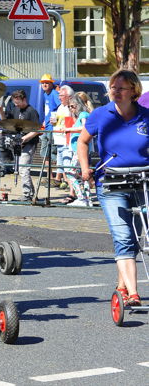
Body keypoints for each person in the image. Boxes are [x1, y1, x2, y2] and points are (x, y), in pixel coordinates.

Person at [77, 70, 148, 308]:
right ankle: (134, 293)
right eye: (113, 87)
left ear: (134, 91)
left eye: (121, 88)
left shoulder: (146, 117)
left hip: (142, 181)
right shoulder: (100, 114)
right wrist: (86, 168)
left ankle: (122, 285)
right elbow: (82, 141)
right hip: (110, 182)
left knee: (138, 237)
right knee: (124, 237)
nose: (115, 92)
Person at [0, 90, 40, 200]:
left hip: (29, 143)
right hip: (18, 142)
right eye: (14, 103)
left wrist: (25, 138)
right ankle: (31, 194)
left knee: (23, 168)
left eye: (18, 102)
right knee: (21, 168)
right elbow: (6, 122)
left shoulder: (31, 111)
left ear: (24, 99)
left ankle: (27, 194)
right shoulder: (15, 109)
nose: (16, 105)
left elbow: (37, 130)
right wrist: (1, 111)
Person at [62, 94, 92, 207]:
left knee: (70, 172)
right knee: (82, 174)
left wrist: (69, 129)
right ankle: (87, 199)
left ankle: (81, 197)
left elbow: (85, 128)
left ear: (78, 105)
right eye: (69, 107)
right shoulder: (80, 115)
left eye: (72, 106)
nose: (71, 109)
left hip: (79, 150)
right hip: (76, 149)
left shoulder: (84, 114)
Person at [52, 85, 75, 191]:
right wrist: (54, 121)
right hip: (58, 139)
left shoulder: (71, 108)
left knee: (68, 165)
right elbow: (58, 121)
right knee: (61, 165)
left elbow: (72, 124)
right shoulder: (61, 106)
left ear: (69, 96)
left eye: (61, 95)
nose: (59, 97)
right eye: (59, 95)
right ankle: (68, 186)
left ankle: (72, 190)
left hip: (67, 141)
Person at [39, 74, 62, 174]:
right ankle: (50, 176)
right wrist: (45, 120)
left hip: (53, 128)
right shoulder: (45, 94)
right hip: (46, 127)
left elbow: (61, 107)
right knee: (45, 154)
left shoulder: (54, 94)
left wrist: (56, 120)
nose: (44, 84)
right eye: (43, 83)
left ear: (51, 84)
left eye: (47, 83)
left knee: (54, 154)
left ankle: (60, 177)